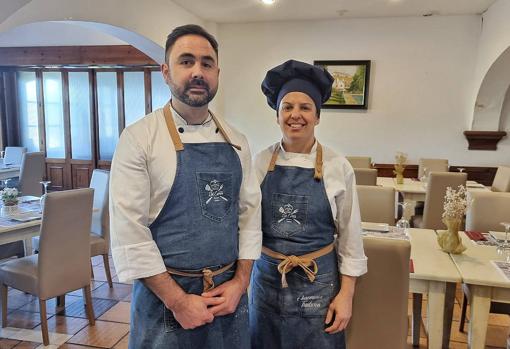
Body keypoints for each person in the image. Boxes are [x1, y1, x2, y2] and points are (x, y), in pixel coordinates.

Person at [109, 24, 262, 348]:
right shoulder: (139, 139)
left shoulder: (237, 142)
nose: (198, 72)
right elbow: (129, 232)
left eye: (206, 64)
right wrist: (178, 301)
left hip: (228, 298)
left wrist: (240, 282)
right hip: (164, 303)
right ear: (166, 72)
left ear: (217, 73)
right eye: (186, 61)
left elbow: (249, 217)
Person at [250, 60, 368, 349]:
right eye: (287, 107)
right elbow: (246, 228)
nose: (295, 115)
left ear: (317, 116)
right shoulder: (261, 162)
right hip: (266, 283)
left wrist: (346, 295)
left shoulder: (338, 167)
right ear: (277, 115)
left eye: (305, 107)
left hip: (319, 288)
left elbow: (351, 239)